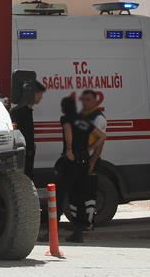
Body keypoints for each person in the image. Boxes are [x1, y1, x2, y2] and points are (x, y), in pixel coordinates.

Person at [60, 95, 107, 243]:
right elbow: (102, 136)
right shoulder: (84, 121)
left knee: (67, 193)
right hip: (84, 161)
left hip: (72, 161)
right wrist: (88, 149)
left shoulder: (67, 120)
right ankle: (79, 230)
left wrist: (69, 150)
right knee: (82, 195)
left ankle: (57, 229)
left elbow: (69, 138)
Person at [10, 80, 46, 180]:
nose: (41, 97)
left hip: (27, 155)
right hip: (22, 157)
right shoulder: (19, 112)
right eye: (39, 94)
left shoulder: (27, 111)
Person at [79, 89, 107, 174]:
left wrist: (92, 163)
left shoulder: (98, 118)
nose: (85, 102)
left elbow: (101, 142)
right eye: (83, 99)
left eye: (88, 100)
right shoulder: (84, 115)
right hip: (82, 157)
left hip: (90, 158)